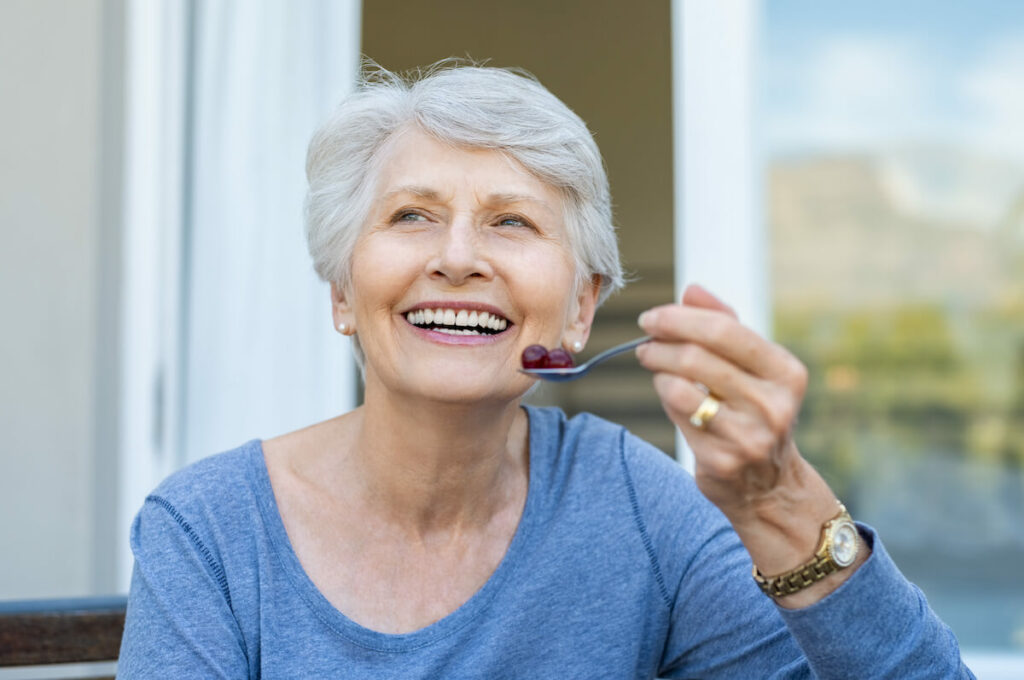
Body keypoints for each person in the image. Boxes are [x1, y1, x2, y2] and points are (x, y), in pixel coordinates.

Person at [118, 62, 973, 678]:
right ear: (343, 290)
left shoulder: (638, 509)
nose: (457, 258)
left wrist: (781, 501)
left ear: (579, 308)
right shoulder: (208, 532)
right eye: (412, 215)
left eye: (511, 223)